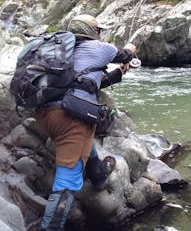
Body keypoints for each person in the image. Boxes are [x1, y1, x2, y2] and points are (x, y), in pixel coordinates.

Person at [35, 14, 137, 231]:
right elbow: (125, 54)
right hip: (69, 117)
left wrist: (118, 73)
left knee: (80, 138)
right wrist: (131, 49)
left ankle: (98, 171)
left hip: (43, 115)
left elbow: (86, 81)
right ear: (92, 31)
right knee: (68, 181)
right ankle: (49, 227)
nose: (100, 34)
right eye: (98, 30)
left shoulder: (56, 48)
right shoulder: (102, 48)